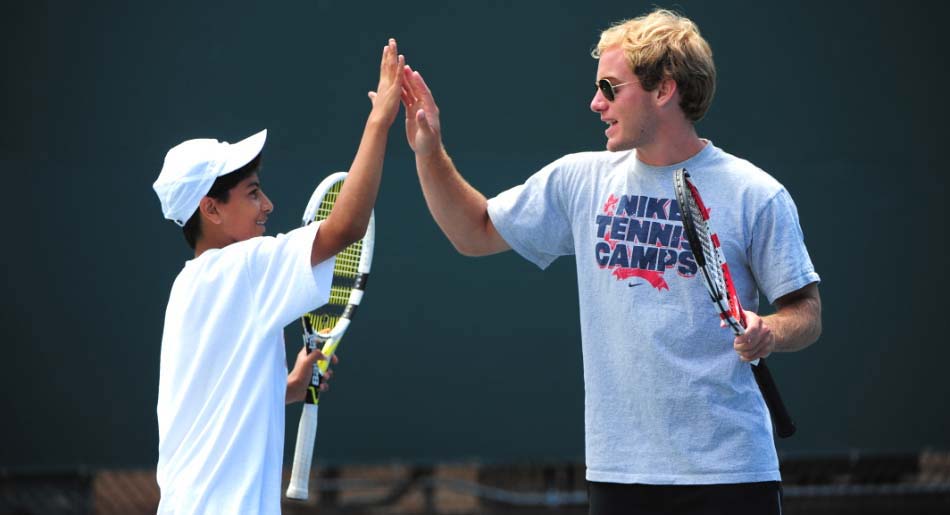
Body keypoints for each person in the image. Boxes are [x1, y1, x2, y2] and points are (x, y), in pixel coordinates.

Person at [400, 10, 821, 515]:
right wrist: (429, 151)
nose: (596, 102)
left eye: (610, 88)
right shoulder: (580, 180)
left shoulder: (756, 194)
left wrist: (769, 331)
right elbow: (473, 232)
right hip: (618, 472)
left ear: (663, 89)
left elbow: (806, 312)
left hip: (731, 473)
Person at [151, 39, 404, 514]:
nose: (267, 205)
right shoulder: (243, 269)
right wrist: (380, 121)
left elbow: (215, 405)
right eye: (252, 193)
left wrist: (286, 388)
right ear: (211, 209)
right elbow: (346, 226)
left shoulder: (187, 288)